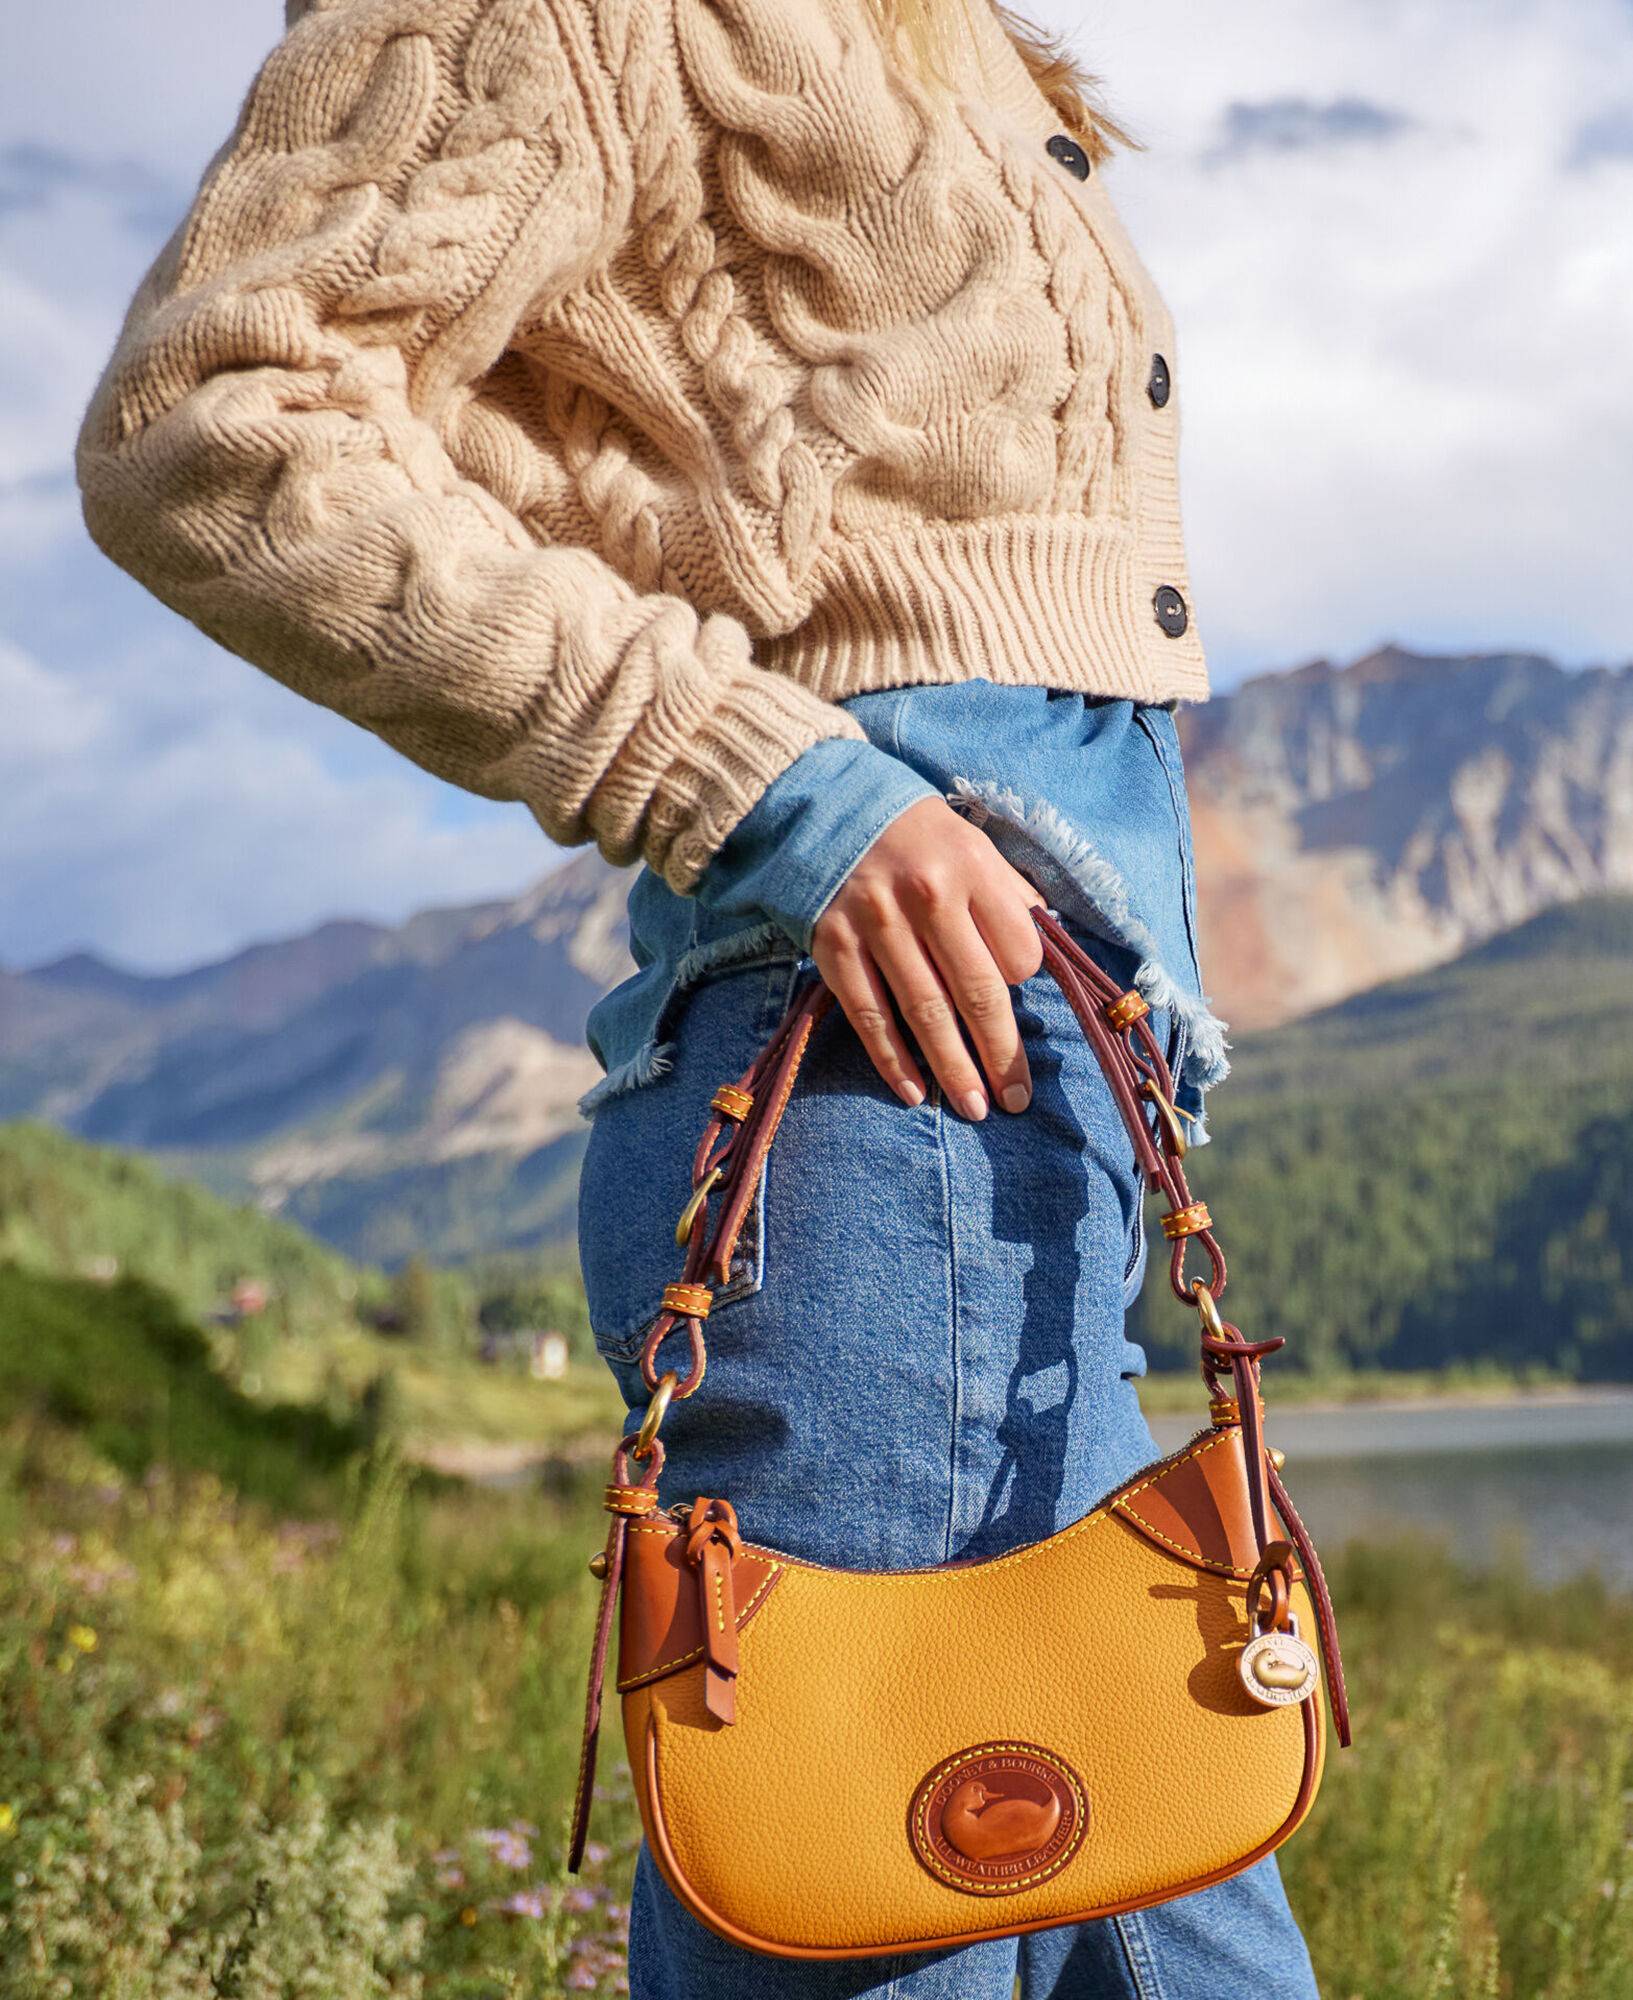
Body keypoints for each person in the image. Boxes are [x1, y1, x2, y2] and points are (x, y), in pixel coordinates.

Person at [76, 0, 1320, 1991]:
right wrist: (773, 785)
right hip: (861, 1078)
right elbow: (210, 419)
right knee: (878, 1886)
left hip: (1032, 1085)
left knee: (1175, 1896)